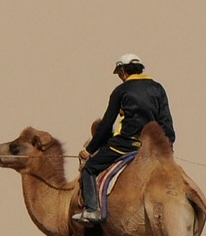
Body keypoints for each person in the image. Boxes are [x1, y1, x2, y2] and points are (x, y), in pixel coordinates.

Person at [73, 54, 175, 225]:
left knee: (89, 169)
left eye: (119, 73)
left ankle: (92, 210)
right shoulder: (158, 88)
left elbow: (106, 125)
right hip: (151, 147)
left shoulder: (121, 91)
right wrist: (168, 146)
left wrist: (89, 150)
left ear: (123, 71)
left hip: (124, 145)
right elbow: (166, 121)